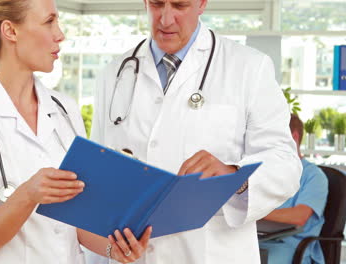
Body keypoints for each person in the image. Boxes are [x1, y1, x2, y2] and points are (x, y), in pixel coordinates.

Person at [89, 0, 302, 263]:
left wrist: (234, 176)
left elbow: (285, 164)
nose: (166, 19)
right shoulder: (115, 73)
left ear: (202, 3)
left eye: (179, 5)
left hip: (210, 252)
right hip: (130, 254)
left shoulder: (249, 67)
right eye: (156, 4)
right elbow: (98, 172)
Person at [0, 0, 151, 263]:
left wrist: (115, 249)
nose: (60, 34)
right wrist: (28, 195)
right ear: (11, 31)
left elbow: (74, 221)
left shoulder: (65, 109)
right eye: (49, 21)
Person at [260, 114, 328, 264]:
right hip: (259, 239)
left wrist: (256, 211)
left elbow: (299, 216)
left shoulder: (314, 176)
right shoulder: (266, 171)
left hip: (291, 246)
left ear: (294, 137)